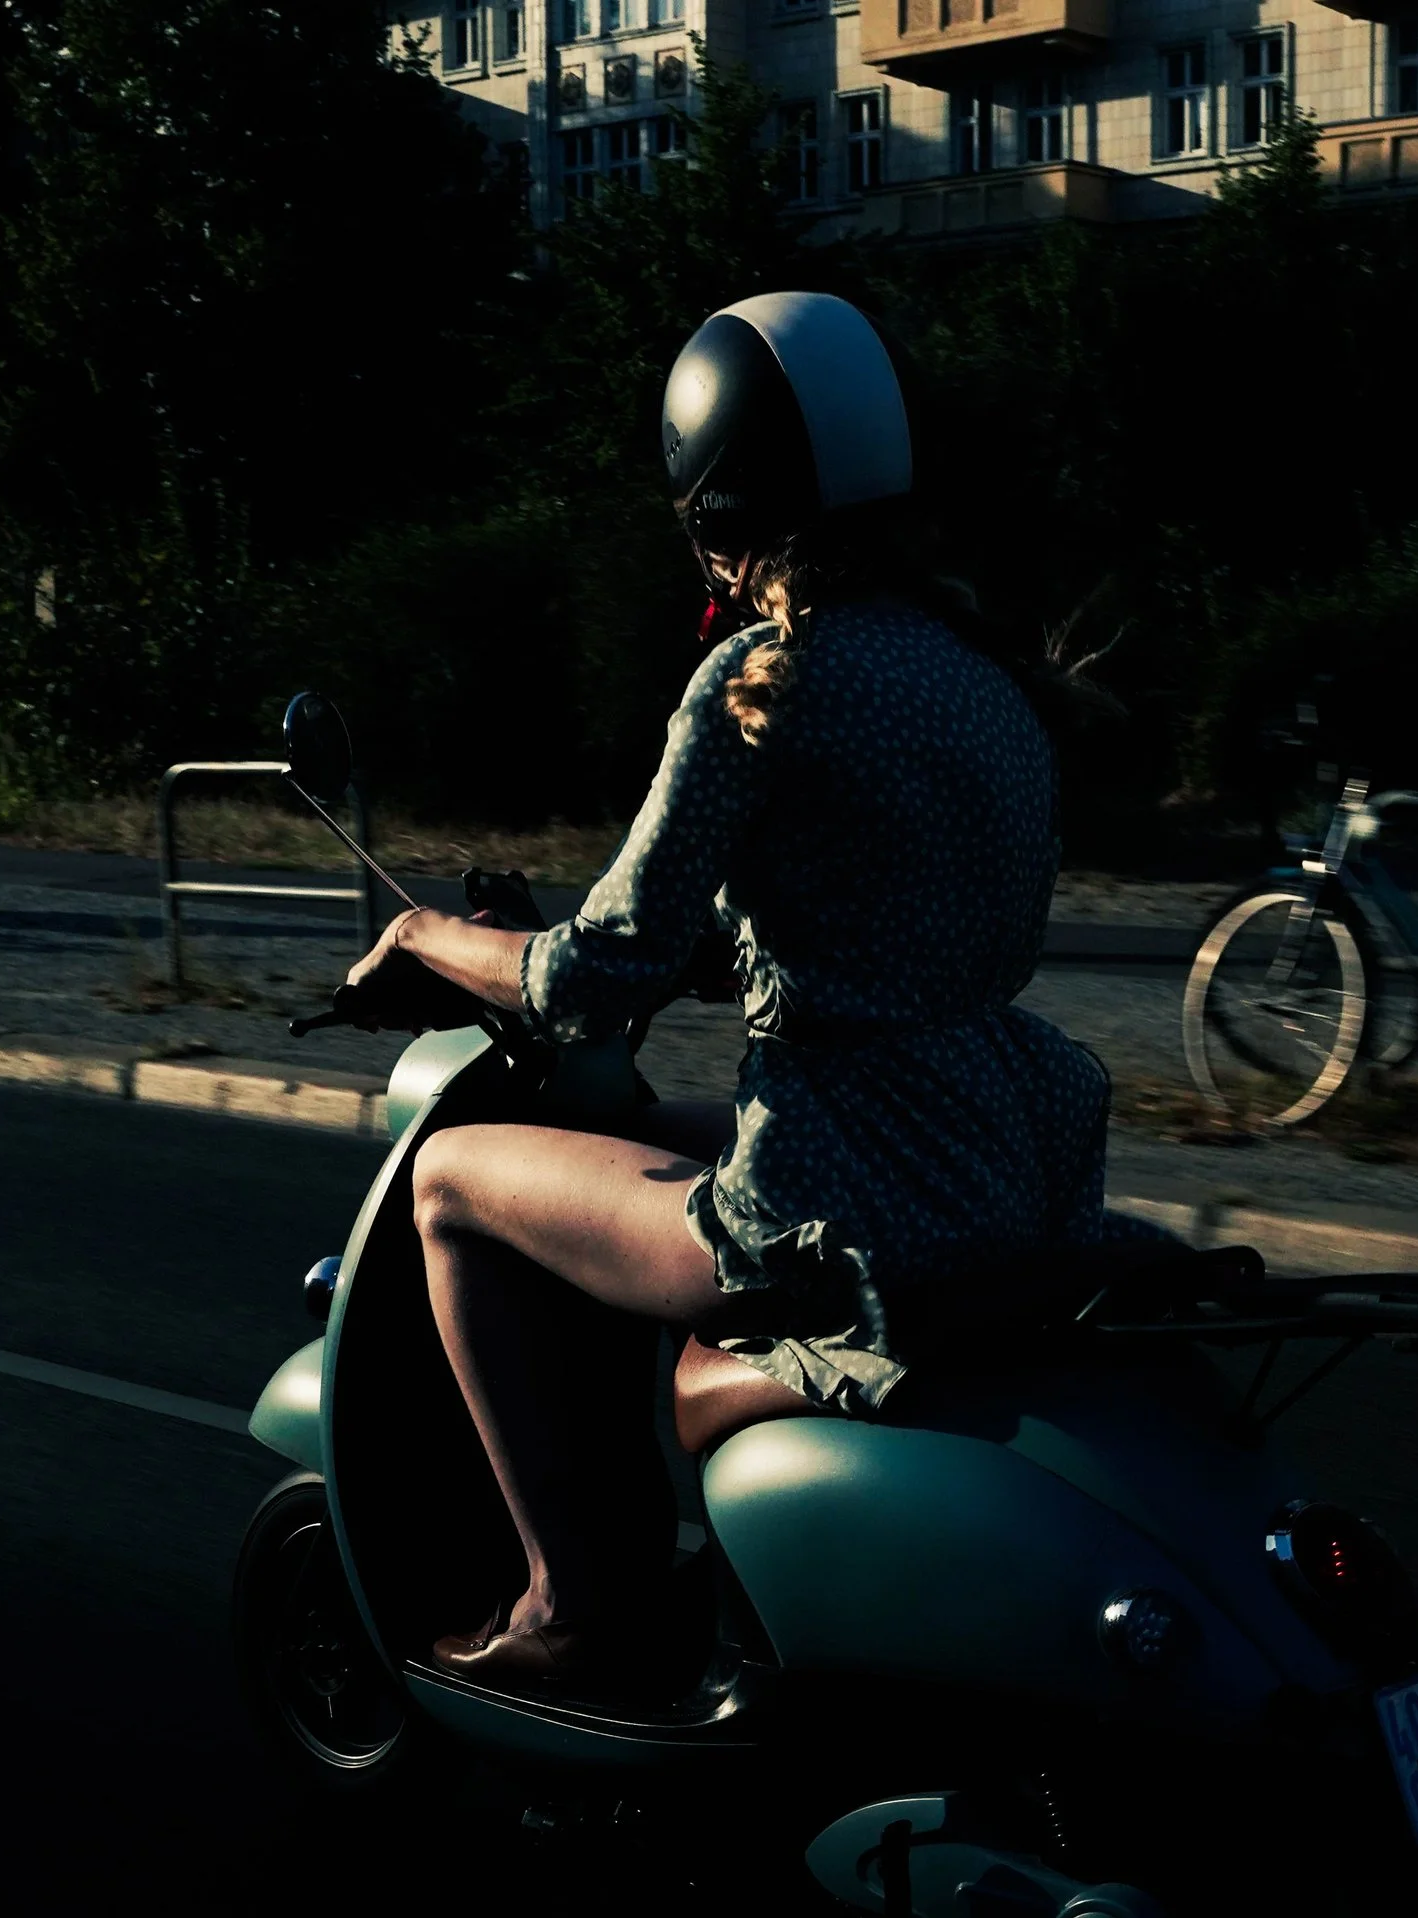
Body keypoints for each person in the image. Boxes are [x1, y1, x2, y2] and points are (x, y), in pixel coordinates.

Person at [339, 291, 1149, 1691]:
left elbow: (591, 981)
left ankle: (567, 1595)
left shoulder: (756, 684)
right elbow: (832, 926)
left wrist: (425, 940)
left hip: (855, 1173)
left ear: (717, 510)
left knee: (453, 1181)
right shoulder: (987, 682)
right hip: (1009, 1151)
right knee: (664, 1145)